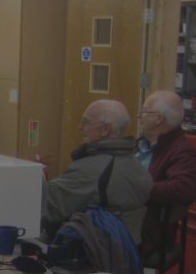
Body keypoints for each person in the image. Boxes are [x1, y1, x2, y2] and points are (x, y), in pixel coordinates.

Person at [43, 99, 152, 241]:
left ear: (105, 130)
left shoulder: (89, 171)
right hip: (126, 247)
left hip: (90, 247)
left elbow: (45, 207)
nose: (79, 127)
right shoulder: (137, 166)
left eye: (86, 122)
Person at [135, 90, 196, 264]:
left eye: (144, 111)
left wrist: (136, 187)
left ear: (159, 119)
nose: (139, 117)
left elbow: (183, 189)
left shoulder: (181, 151)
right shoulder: (140, 143)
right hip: (125, 217)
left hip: (146, 231)